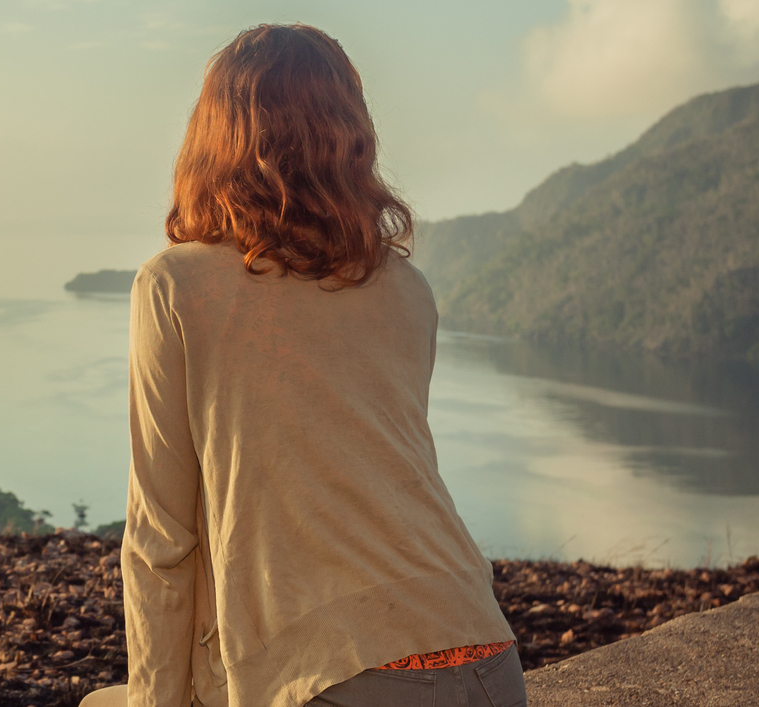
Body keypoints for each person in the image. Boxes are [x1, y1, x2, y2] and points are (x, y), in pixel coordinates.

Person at [90, 24, 525, 707]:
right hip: (487, 656)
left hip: (344, 676)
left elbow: (160, 538)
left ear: (215, 135)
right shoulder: (404, 288)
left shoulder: (174, 284)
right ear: (351, 136)